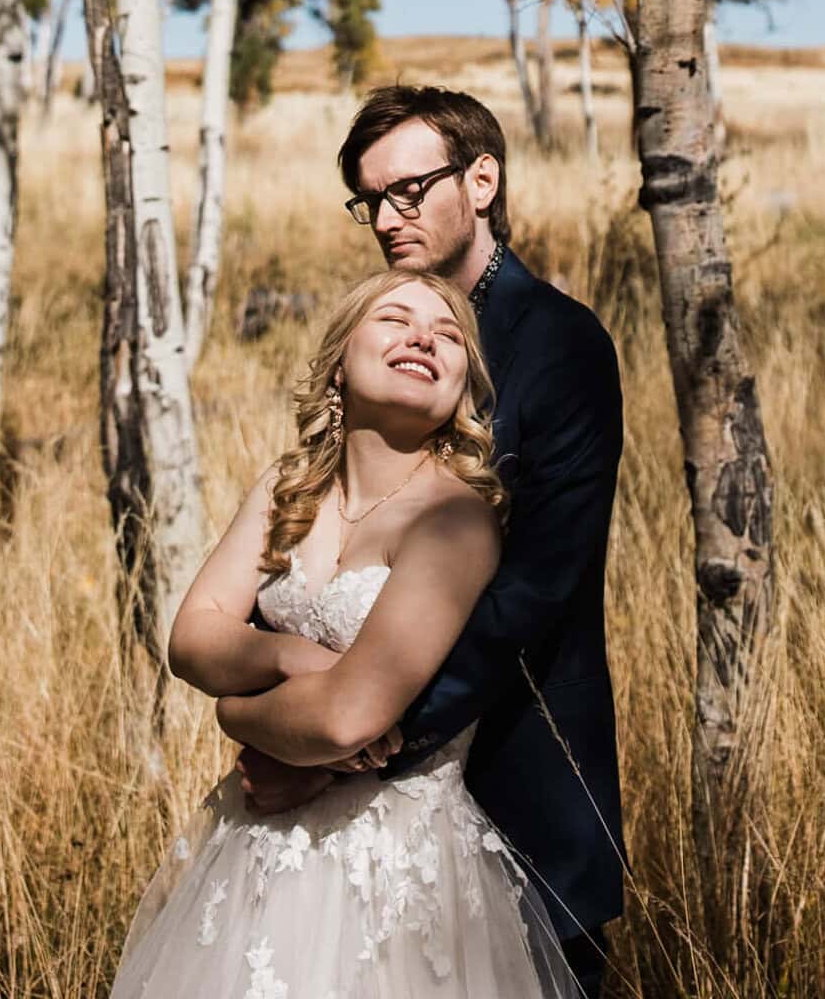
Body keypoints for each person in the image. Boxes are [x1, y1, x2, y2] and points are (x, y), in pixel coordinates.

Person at [236, 86, 625, 997]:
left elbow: (532, 594)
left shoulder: (560, 345)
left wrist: (352, 745)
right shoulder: (380, 342)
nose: (385, 217)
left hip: (511, 786)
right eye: (368, 200)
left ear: (481, 179)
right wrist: (283, 716)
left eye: (408, 190)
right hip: (322, 818)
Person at [109, 270, 583, 998]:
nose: (424, 337)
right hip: (257, 844)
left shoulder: (452, 518)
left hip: (391, 868)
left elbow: (347, 717)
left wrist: (234, 712)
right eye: (395, 319)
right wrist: (286, 652)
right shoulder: (284, 490)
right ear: (339, 360)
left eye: (449, 334)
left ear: (462, 389)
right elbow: (192, 639)